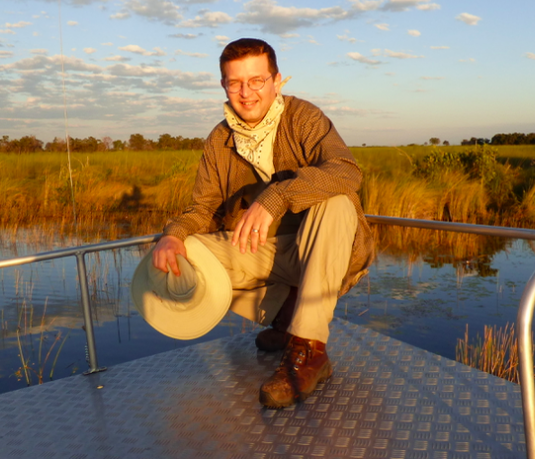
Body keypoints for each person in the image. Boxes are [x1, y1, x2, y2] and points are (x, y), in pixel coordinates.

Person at [151, 37, 374, 408]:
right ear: (223, 84)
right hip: (270, 253)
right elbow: (202, 209)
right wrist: (173, 236)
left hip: (326, 247)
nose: (246, 92)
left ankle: (309, 351)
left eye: (256, 80)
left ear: (276, 81)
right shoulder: (219, 140)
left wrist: (277, 197)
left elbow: (347, 172)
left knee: (336, 201)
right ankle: (286, 312)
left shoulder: (304, 118)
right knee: (184, 251)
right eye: (235, 82)